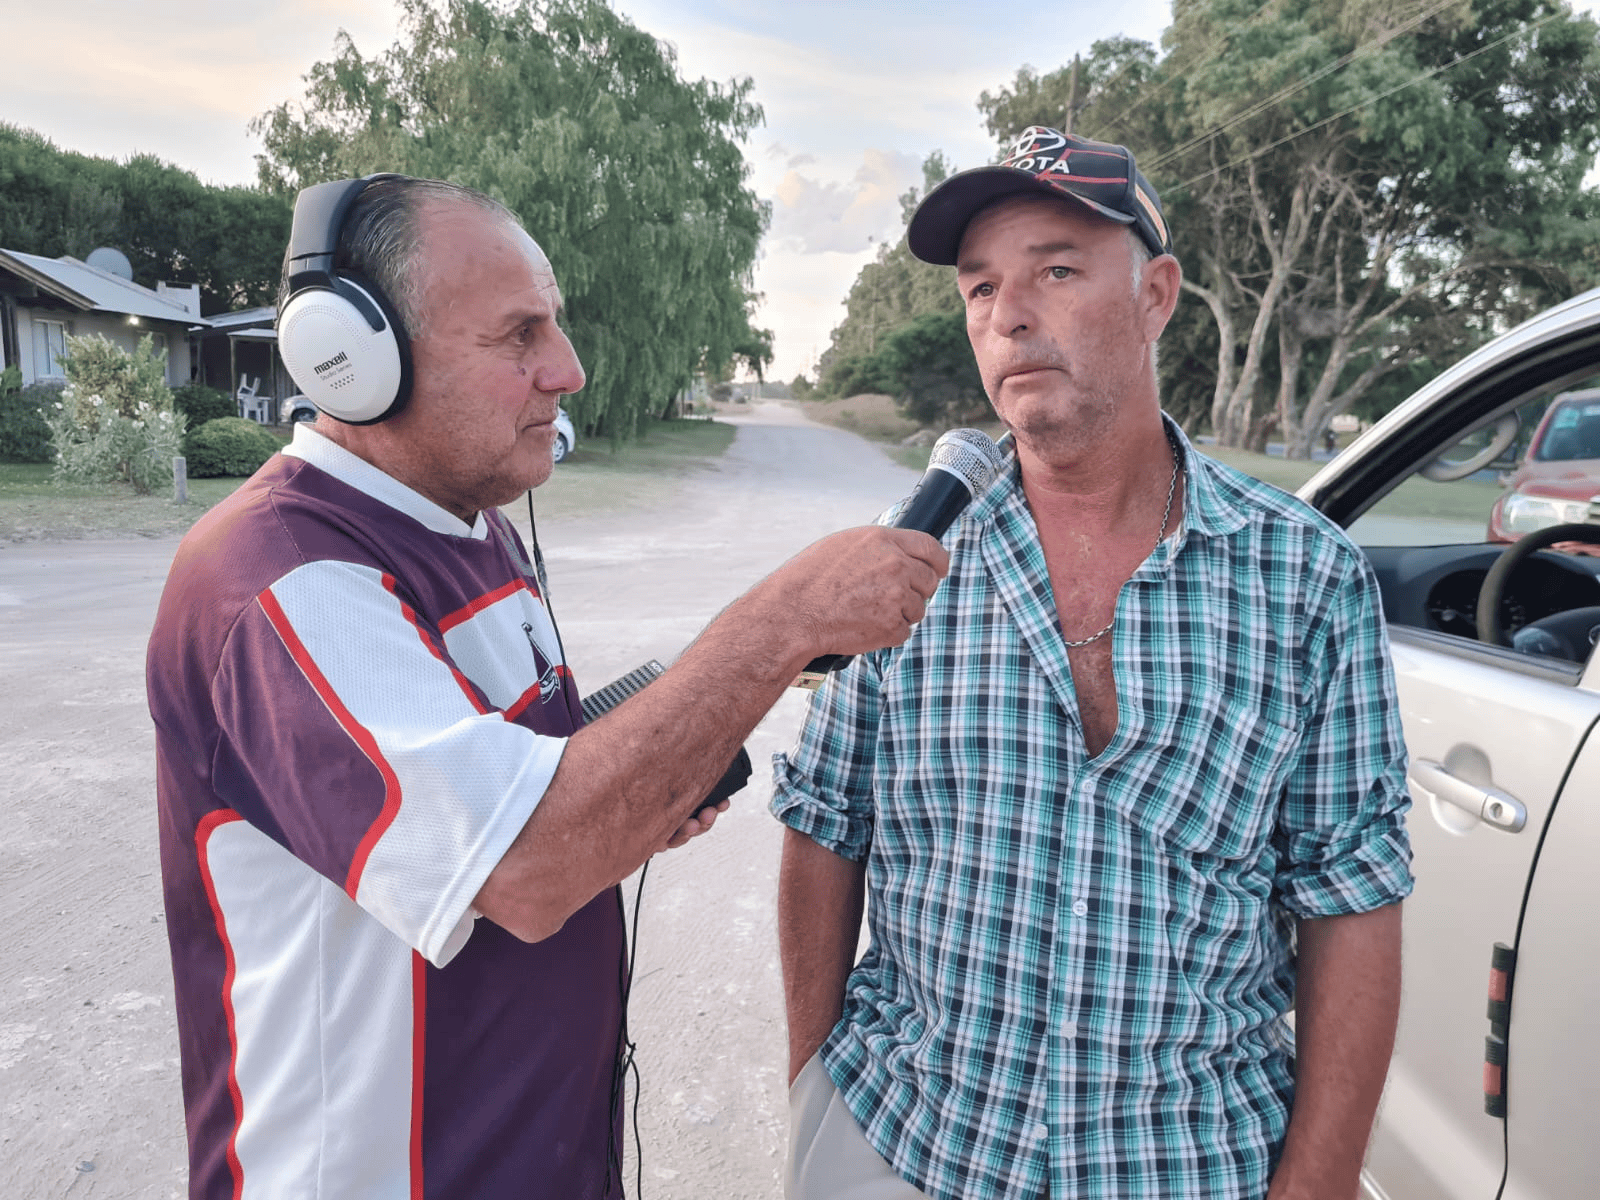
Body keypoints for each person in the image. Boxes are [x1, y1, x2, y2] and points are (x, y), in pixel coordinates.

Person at [145, 175, 949, 1200]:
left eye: (554, 327)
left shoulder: (472, 521)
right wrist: (786, 617)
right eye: (518, 336)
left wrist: (640, 789)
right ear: (349, 358)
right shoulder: (279, 583)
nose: (566, 371)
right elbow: (525, 867)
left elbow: (517, 780)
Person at [773, 126, 1413, 1200]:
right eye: (980, 290)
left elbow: (1350, 900)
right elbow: (826, 825)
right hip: (906, 1140)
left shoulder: (1304, 577)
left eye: (1056, 271)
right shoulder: (903, 562)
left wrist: (1316, 1186)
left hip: (1186, 1163)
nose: (1008, 316)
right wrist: (813, 1096)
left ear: (1156, 296)